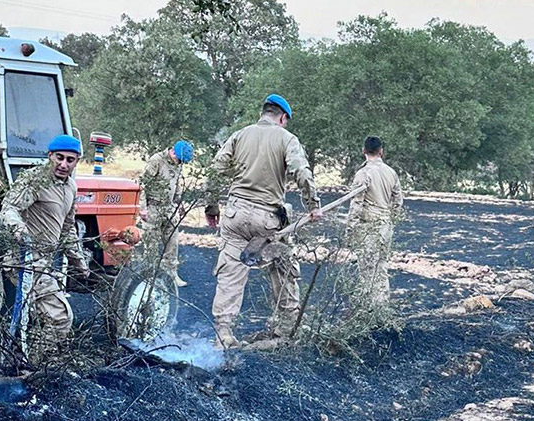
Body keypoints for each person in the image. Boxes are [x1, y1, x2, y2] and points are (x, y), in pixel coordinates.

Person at [205, 94, 321, 349]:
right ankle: (285, 329)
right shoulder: (286, 138)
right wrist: (313, 206)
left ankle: (223, 334)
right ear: (282, 117)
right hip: (267, 220)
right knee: (283, 270)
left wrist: (212, 207)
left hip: (234, 216)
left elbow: (214, 170)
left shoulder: (239, 135)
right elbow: (301, 171)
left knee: (230, 273)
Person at [0, 134, 91, 359]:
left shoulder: (71, 187)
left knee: (35, 320)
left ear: (76, 161)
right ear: (49, 155)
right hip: (24, 260)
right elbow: (9, 208)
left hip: (44, 263)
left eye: (70, 160)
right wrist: (20, 231)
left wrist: (79, 261)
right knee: (59, 317)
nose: (63, 164)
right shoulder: (36, 179)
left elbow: (67, 229)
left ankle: (27, 363)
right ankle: (36, 367)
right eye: (59, 157)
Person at [345, 136, 404, 305]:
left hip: (368, 226)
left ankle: (367, 309)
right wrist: (391, 220)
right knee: (381, 266)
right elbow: (398, 200)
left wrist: (350, 231)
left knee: (367, 270)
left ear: (363, 151)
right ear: (381, 152)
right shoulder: (391, 172)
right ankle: (381, 306)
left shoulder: (363, 174)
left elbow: (356, 205)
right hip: (385, 225)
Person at [139, 140, 194, 287]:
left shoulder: (177, 164)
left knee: (172, 243)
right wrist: (143, 208)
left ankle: (171, 274)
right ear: (173, 152)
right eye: (180, 160)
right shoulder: (156, 160)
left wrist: (179, 203)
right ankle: (149, 278)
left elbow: (175, 185)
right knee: (151, 245)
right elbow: (143, 184)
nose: (180, 163)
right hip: (153, 208)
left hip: (169, 209)